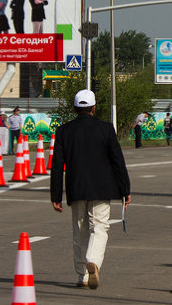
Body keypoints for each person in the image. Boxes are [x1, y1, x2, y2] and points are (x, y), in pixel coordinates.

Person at [50, 89, 131, 290]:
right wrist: (125, 190)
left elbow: (57, 166)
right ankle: (93, 260)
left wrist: (55, 194)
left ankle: (82, 276)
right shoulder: (106, 129)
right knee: (100, 227)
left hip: (76, 187)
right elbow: (117, 162)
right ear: (94, 108)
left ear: (75, 108)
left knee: (79, 231)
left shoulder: (64, 131)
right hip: (103, 188)